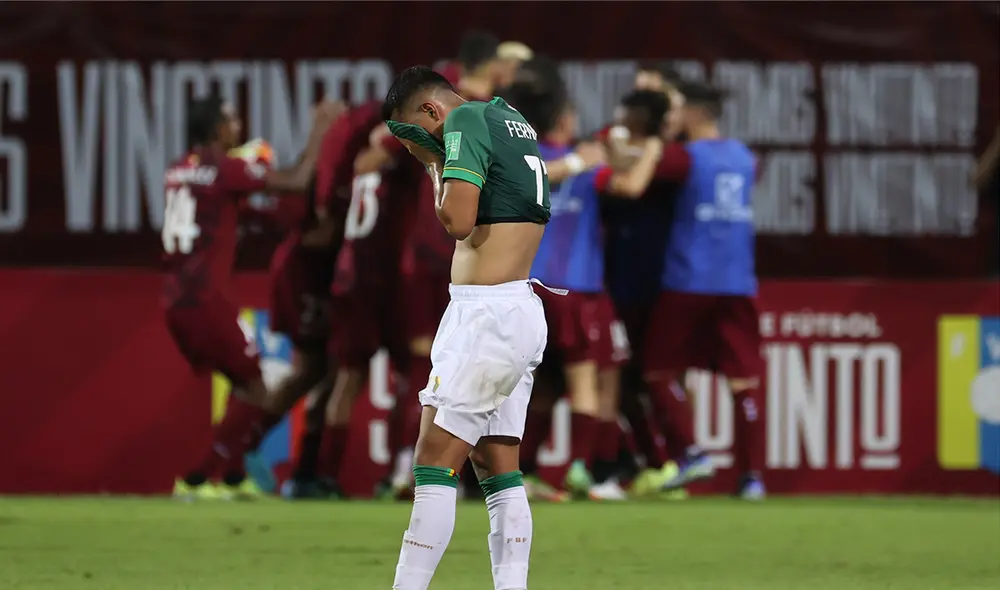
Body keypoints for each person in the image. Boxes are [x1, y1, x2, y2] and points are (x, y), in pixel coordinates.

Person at [382, 66, 550, 590]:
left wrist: (435, 163)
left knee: (433, 461)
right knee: (498, 467)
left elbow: (457, 221)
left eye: (409, 135)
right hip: (517, 307)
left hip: (486, 316)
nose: (412, 148)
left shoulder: (463, 123)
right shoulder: (509, 117)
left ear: (431, 111)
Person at [163, 94, 337, 500]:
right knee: (257, 387)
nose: (238, 127)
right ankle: (198, 479)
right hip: (206, 298)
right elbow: (297, 181)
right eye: (231, 121)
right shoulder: (223, 169)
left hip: (175, 299)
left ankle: (234, 475)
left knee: (244, 381)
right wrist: (320, 131)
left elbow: (224, 211)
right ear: (217, 129)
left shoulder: (178, 170)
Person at [511, 86, 664, 502]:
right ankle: (581, 470)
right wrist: (652, 150)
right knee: (585, 382)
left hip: (529, 285)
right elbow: (630, 185)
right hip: (574, 286)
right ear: (564, 119)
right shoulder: (585, 163)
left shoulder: (525, 156)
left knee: (536, 386)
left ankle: (520, 472)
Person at [645, 81, 766, 500]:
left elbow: (646, 174)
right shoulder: (747, 158)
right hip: (737, 282)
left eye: (678, 110)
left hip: (689, 279)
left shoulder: (683, 157)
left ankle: (692, 453)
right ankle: (752, 479)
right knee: (742, 380)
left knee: (657, 371)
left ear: (694, 114)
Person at [314, 101, 425, 498]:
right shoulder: (404, 157)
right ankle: (399, 473)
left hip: (350, 277)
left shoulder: (359, 160)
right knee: (413, 375)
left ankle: (325, 477)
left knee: (348, 379)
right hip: (388, 278)